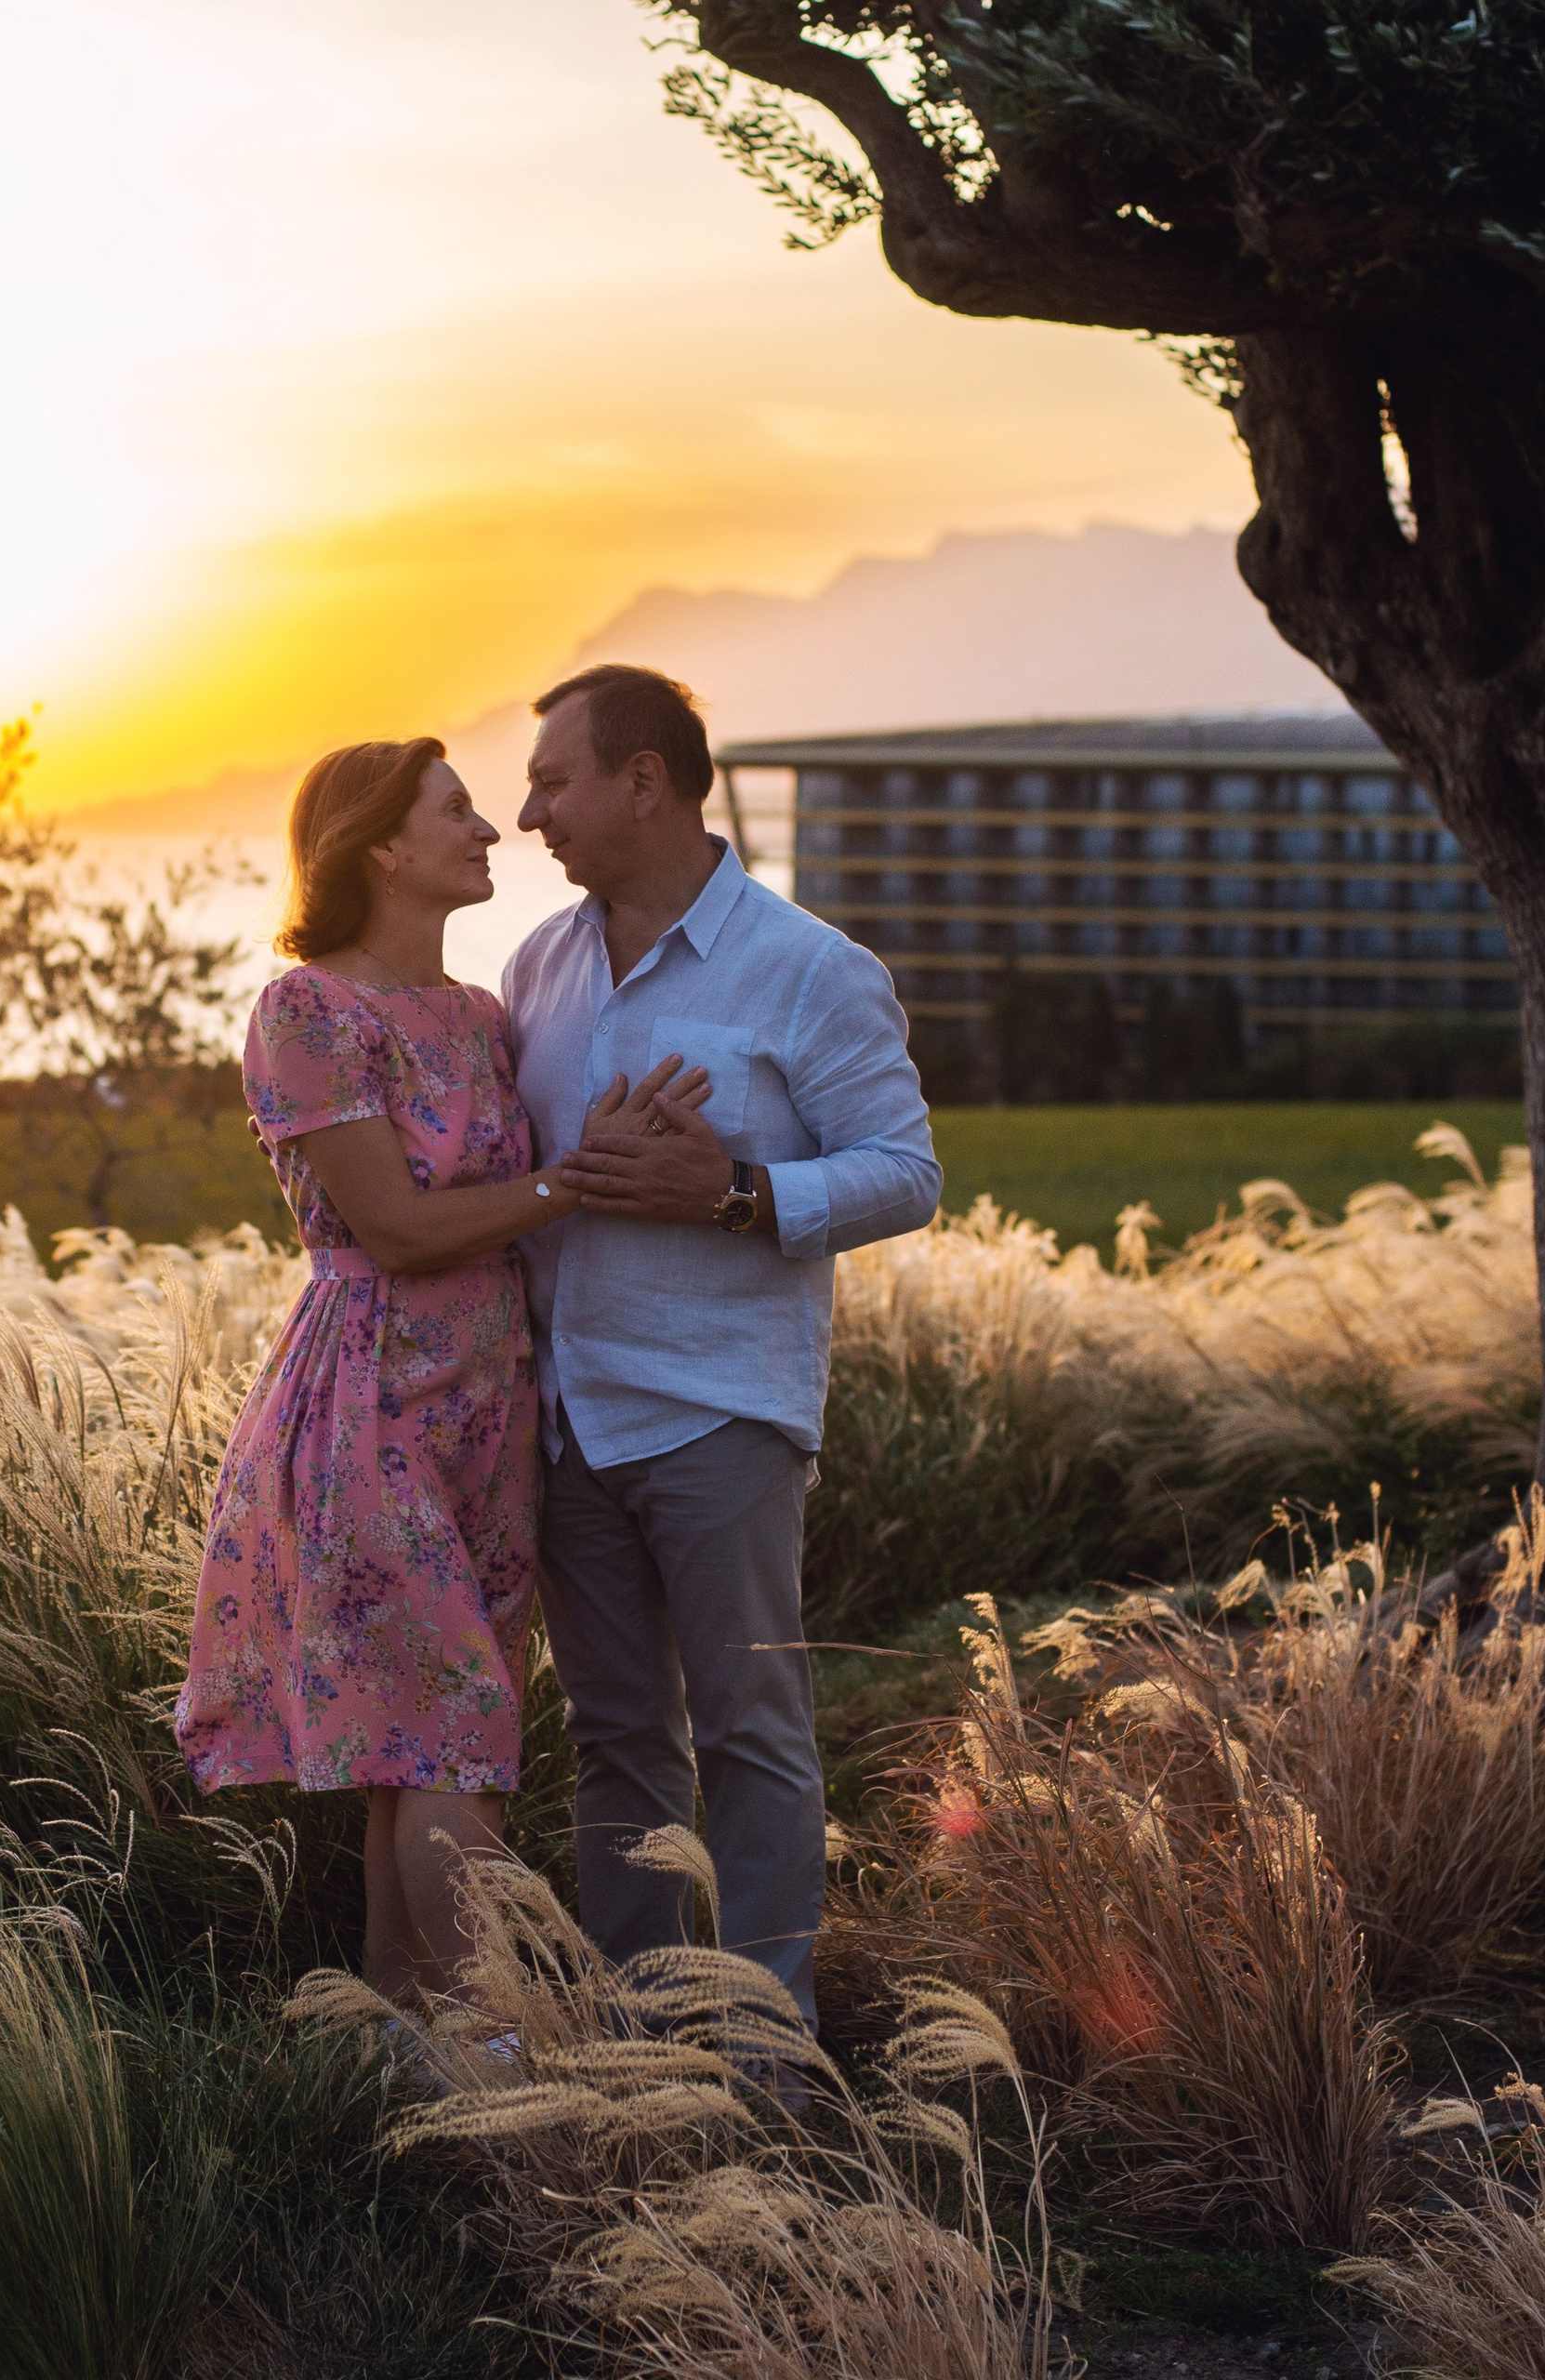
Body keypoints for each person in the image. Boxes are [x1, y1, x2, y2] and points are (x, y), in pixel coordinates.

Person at [174, 734, 705, 2006]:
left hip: (493, 1406)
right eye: (457, 811)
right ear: (378, 848)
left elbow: (520, 1201)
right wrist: (571, 1178)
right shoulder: (308, 1009)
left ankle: (399, 2047)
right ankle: (503, 2049)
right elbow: (396, 1232)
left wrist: (623, 1154)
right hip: (372, 1402)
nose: (491, 831)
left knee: (417, 1750)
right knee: (457, 1737)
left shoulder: (480, 1017)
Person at [501, 663, 942, 2031]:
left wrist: (739, 1193)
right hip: (571, 1416)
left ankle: (763, 2041)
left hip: (719, 1421)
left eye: (553, 781)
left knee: (752, 1736)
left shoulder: (811, 969)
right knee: (616, 1741)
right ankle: (640, 2032)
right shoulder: (538, 965)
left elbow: (909, 1173)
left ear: (646, 781)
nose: (530, 816)